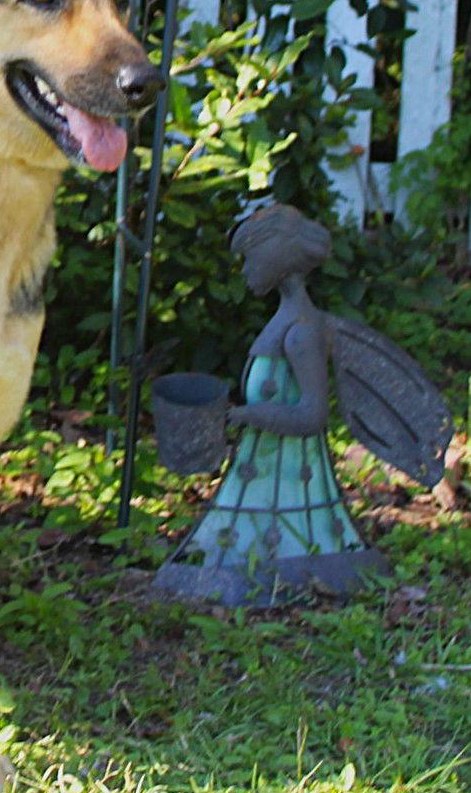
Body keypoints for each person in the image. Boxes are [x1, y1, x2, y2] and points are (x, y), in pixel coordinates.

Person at [154, 204, 388, 605]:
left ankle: (292, 578)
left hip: (292, 477)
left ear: (276, 260)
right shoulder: (286, 321)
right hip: (261, 470)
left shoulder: (301, 333)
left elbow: (313, 416)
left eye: (249, 261)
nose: (245, 272)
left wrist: (245, 415)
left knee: (284, 533)